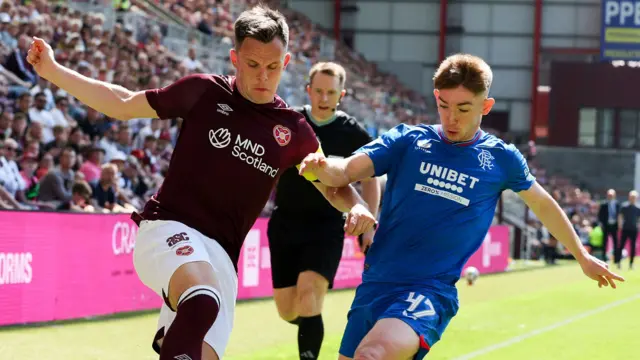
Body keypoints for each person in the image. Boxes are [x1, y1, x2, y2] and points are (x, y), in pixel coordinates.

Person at [26, 5, 377, 360]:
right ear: (234, 58)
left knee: (199, 349)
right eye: (252, 65)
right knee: (202, 298)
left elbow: (331, 184)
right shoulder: (203, 92)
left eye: (272, 67)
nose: (262, 76)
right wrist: (53, 70)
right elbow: (122, 103)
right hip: (168, 229)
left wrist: (359, 206)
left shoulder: (296, 132)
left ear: (285, 63)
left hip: (222, 258)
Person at [298, 53, 625, 360]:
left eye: (464, 108)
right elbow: (344, 171)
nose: (452, 117)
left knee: (372, 355)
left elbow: (542, 204)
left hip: (429, 290)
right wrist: (320, 165)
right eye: (444, 105)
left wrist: (581, 255)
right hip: (377, 280)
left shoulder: (501, 159)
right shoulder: (408, 140)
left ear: (486, 106)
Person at [268, 62, 380, 360]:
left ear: (340, 94)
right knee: (288, 309)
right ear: (308, 90)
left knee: (309, 293)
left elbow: (372, 177)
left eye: (331, 92)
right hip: (284, 222)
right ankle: (309, 321)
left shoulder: (352, 132)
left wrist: (370, 222)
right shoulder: (291, 122)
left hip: (327, 225)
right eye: (318, 90)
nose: (324, 97)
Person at [617, 190, 640, 270]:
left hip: (634, 229)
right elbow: (620, 216)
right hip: (625, 229)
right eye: (631, 197)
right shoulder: (624, 206)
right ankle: (618, 262)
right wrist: (620, 225)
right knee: (621, 246)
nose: (632, 198)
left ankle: (631, 264)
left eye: (634, 197)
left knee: (633, 247)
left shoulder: (638, 208)